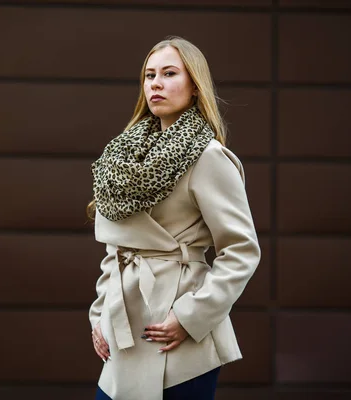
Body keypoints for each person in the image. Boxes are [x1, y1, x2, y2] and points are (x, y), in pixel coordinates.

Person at [86, 36, 261, 400]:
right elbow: (117, 247)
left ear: (195, 88)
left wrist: (189, 317)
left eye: (169, 73)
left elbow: (241, 251)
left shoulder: (209, 157)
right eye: (150, 75)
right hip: (124, 325)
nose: (156, 83)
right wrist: (99, 314)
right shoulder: (121, 158)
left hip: (177, 334)